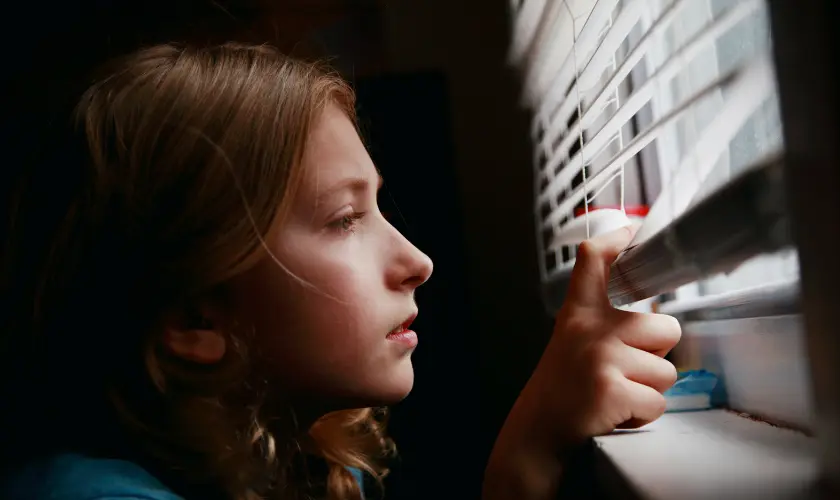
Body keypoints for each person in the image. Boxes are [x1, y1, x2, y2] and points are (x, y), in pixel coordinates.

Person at [0, 43, 680, 500]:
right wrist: (529, 447)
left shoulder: (302, 468)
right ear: (196, 317)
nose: (418, 261)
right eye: (344, 219)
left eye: (376, 206)